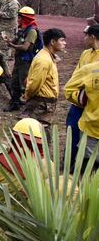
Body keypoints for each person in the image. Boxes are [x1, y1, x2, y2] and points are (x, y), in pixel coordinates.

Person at [65, 24, 99, 158]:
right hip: (79, 104)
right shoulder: (85, 54)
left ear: (92, 37)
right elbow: (74, 79)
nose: (83, 38)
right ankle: (70, 162)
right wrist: (78, 98)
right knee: (72, 132)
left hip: (94, 106)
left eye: (86, 35)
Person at [22, 28, 65, 128]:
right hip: (41, 103)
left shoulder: (48, 56)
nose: (64, 43)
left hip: (44, 102)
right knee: (40, 135)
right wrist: (28, 96)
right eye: (62, 40)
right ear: (53, 42)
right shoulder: (44, 60)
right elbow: (34, 83)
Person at [4, 6, 41, 111]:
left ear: (25, 18)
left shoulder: (32, 31)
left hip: (26, 61)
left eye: (20, 17)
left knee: (25, 84)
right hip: (19, 60)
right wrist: (9, 41)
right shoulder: (22, 29)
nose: (18, 19)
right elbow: (15, 40)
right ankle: (15, 103)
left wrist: (13, 46)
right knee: (14, 82)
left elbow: (25, 47)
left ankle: (30, 108)